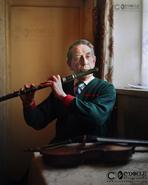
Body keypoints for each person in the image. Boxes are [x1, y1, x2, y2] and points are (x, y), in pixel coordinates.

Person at [20, 39, 116, 142]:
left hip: (92, 150)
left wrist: (63, 97)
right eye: (78, 58)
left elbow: (97, 117)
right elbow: (38, 122)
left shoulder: (106, 88)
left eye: (88, 56)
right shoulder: (63, 87)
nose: (84, 62)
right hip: (62, 148)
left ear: (94, 60)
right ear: (69, 64)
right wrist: (28, 103)